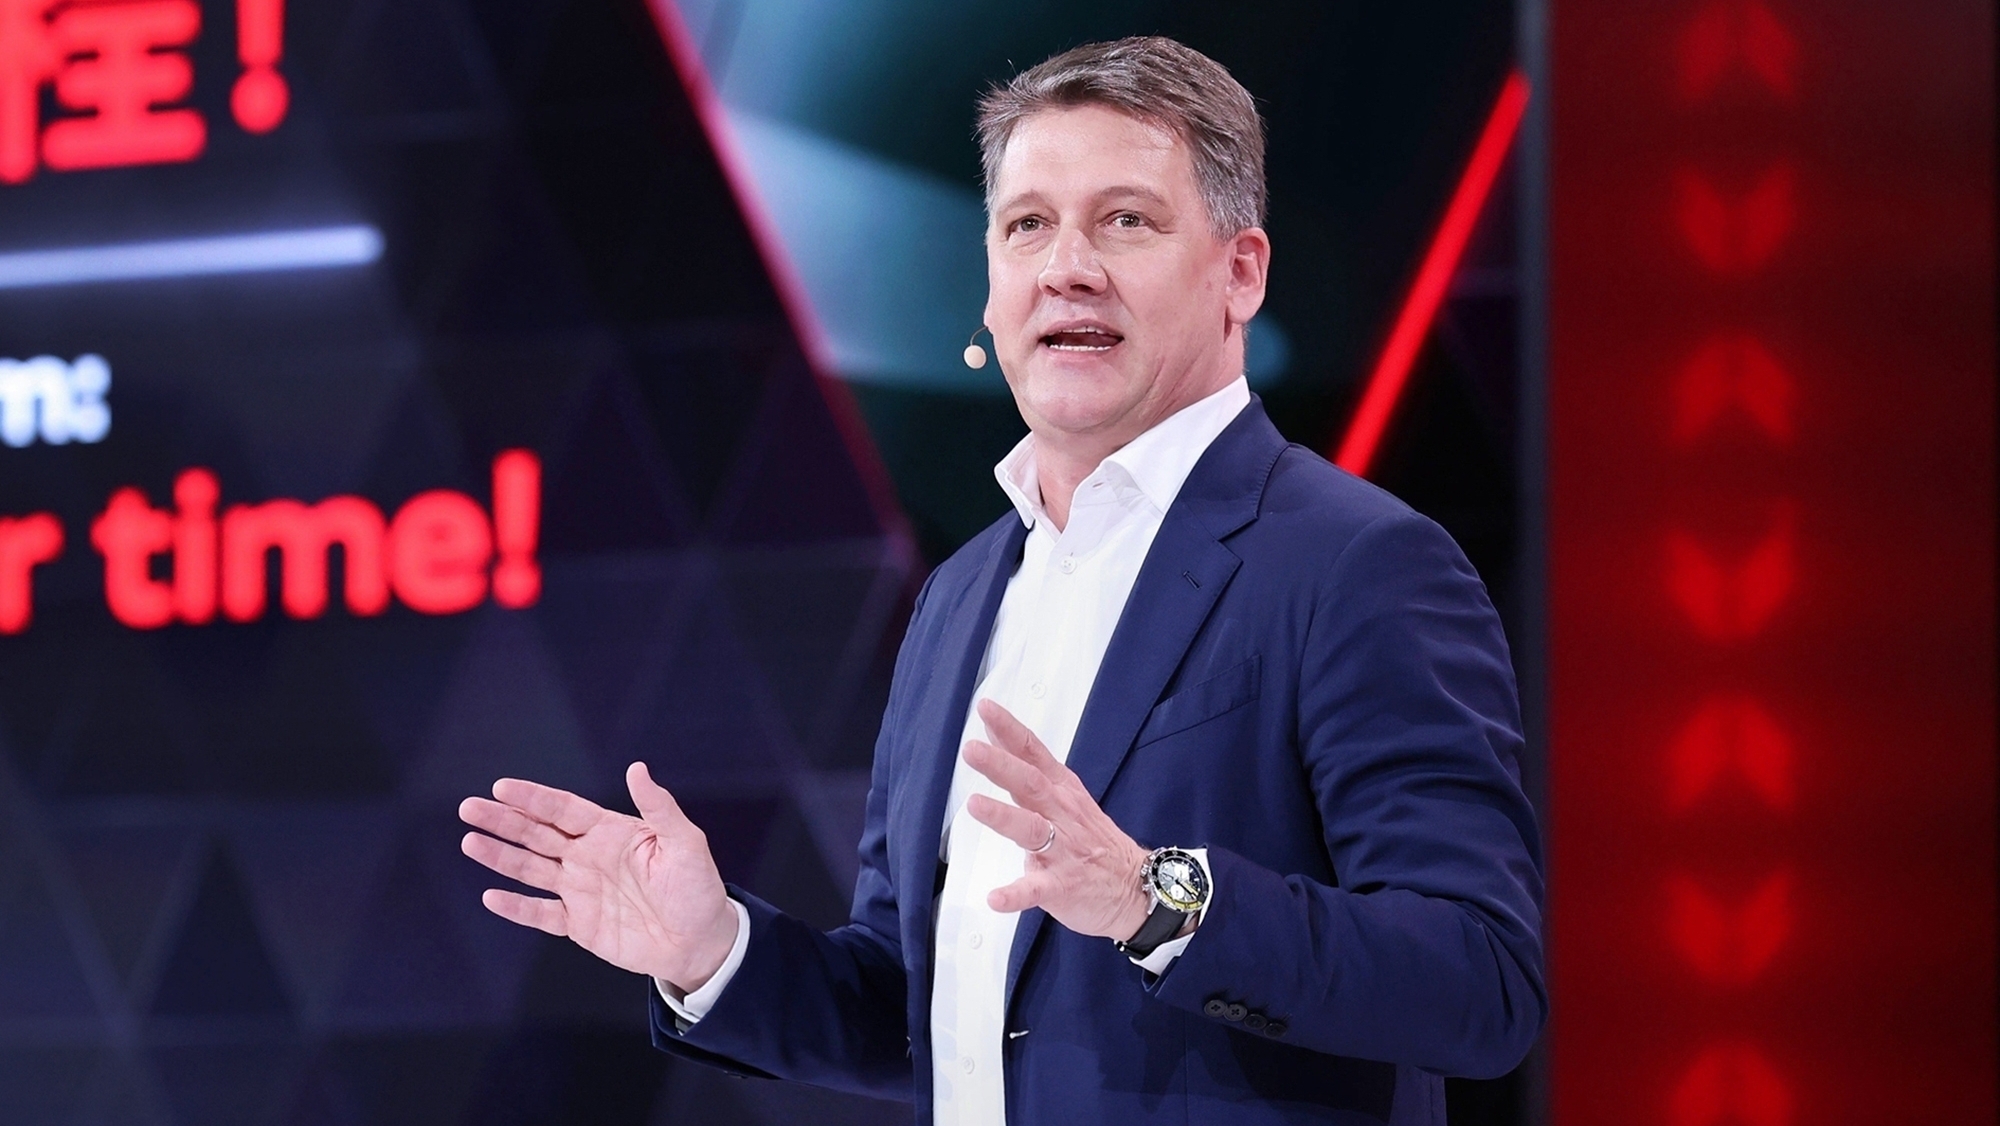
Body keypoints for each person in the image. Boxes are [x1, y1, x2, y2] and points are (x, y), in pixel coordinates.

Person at [458, 36, 1544, 1126]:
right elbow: (922, 1008)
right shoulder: (961, 595)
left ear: (1240, 273)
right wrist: (714, 951)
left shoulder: (1355, 563)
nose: (1066, 266)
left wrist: (1157, 903)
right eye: (1027, 224)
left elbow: (1481, 982)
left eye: (1125, 220)